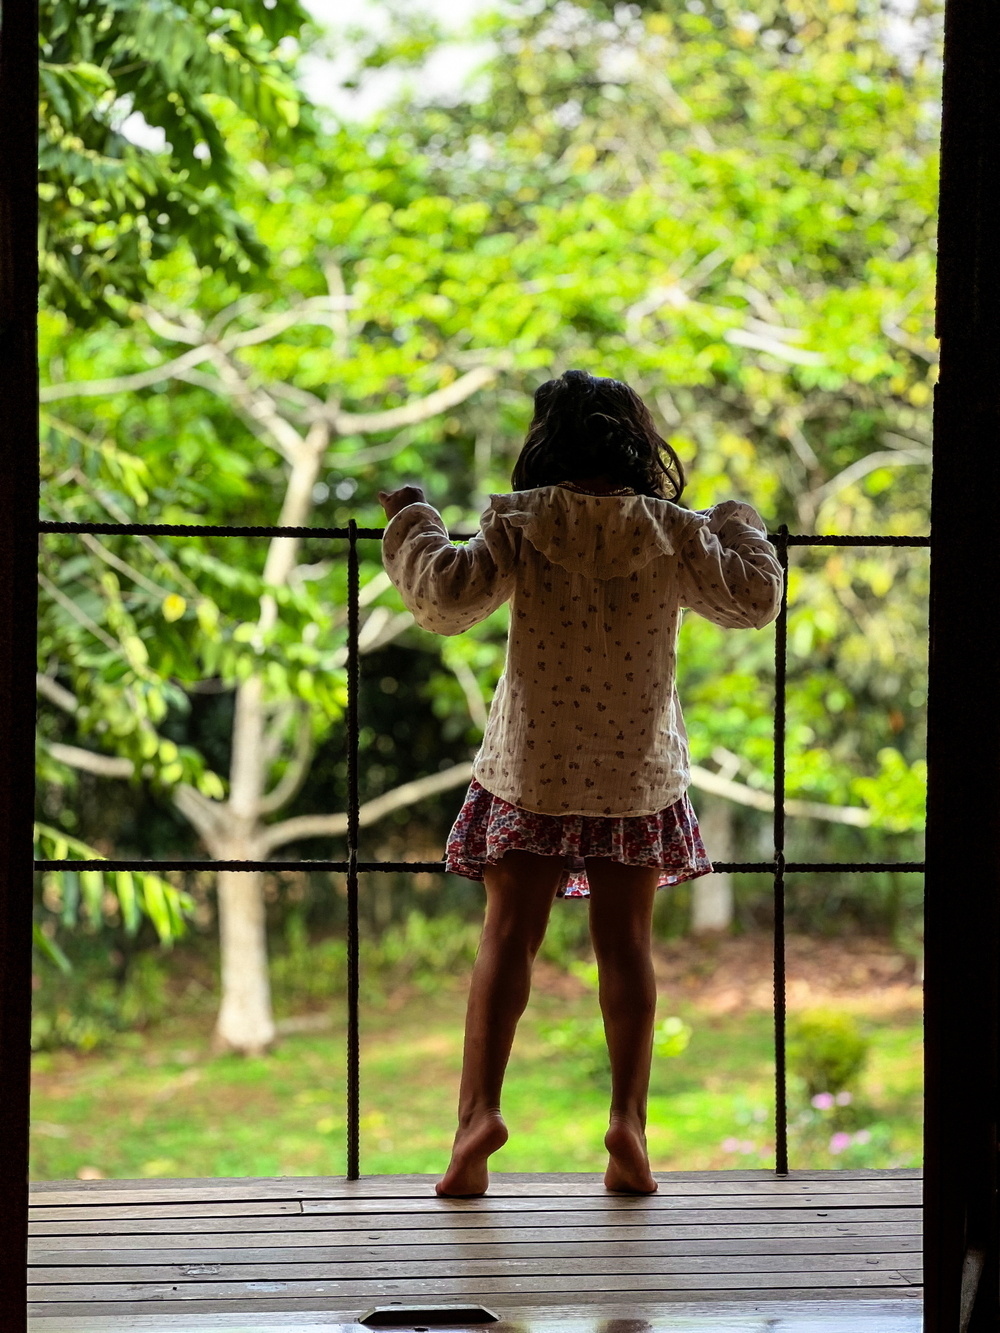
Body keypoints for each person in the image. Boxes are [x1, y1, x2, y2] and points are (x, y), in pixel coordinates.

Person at [378, 369, 783, 1197]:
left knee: (507, 937)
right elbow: (755, 597)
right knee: (626, 947)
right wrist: (737, 520)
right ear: (639, 444)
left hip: (533, 764)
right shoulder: (674, 532)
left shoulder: (524, 524)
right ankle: (629, 1127)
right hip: (636, 771)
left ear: (545, 442)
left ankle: (475, 1120)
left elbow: (447, 599)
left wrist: (412, 518)